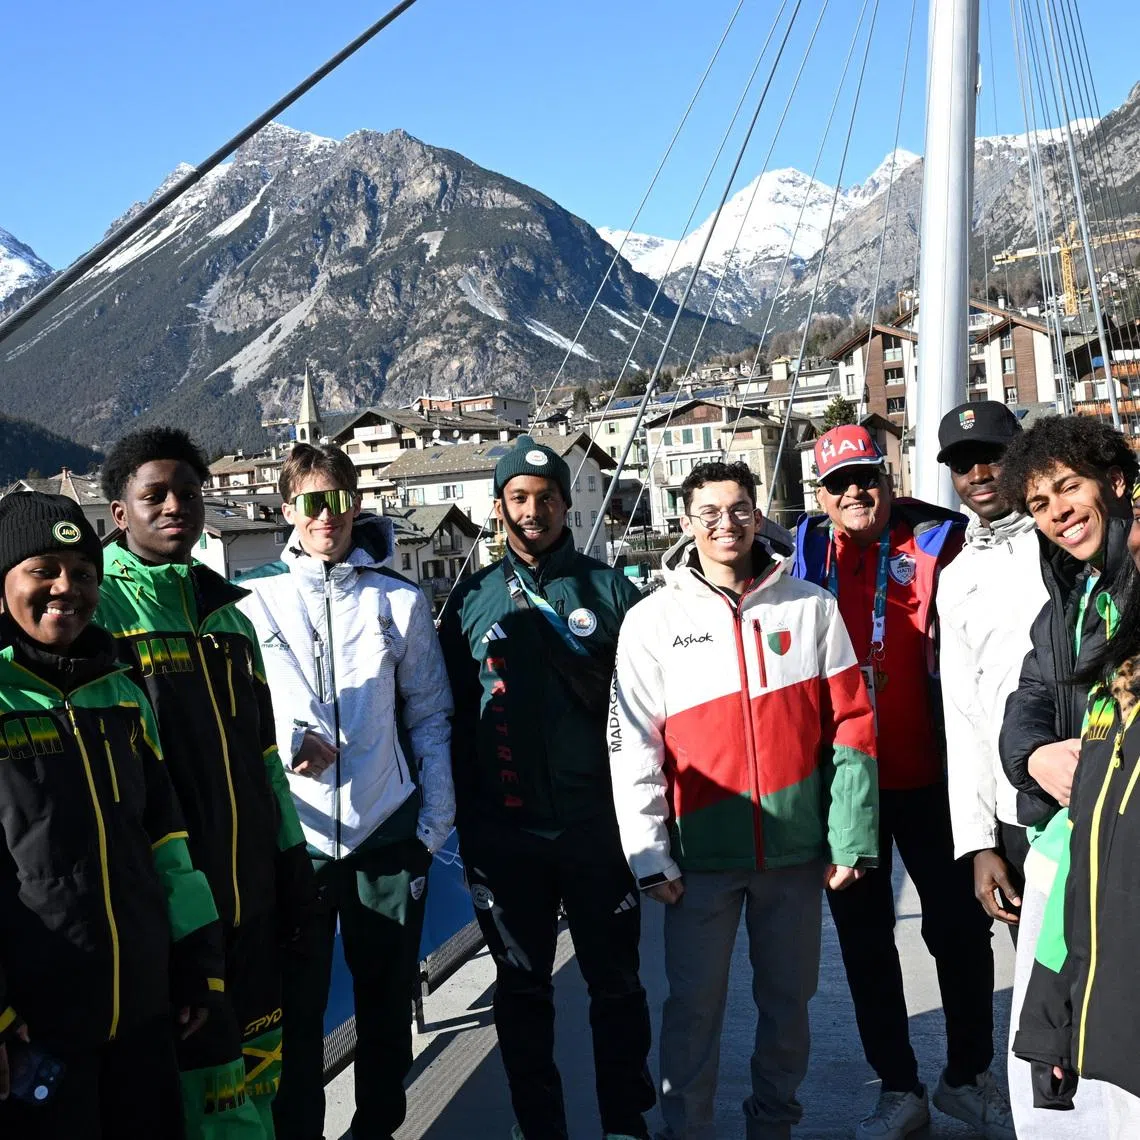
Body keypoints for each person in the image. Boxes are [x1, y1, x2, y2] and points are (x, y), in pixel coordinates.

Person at [609, 459, 878, 1140]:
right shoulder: (651, 621)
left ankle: (774, 1127)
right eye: (709, 513)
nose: (725, 524)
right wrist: (648, 854)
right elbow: (632, 744)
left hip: (793, 852)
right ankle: (687, 1131)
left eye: (737, 510)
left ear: (757, 515)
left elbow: (853, 724)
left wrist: (851, 835)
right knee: (693, 1009)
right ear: (686, 523)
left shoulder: (810, 606)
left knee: (788, 1005)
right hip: (699, 858)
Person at [793, 424, 1012, 1140]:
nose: (856, 492)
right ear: (820, 496)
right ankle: (898, 1087)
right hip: (848, 788)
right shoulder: (802, 557)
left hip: (933, 777)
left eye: (867, 477)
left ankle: (967, 1076)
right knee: (865, 941)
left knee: (960, 931)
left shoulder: (938, 542)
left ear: (889, 478)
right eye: (839, 483)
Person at [96, 428, 315, 1139]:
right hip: (166, 912)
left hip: (249, 893)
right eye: (153, 494)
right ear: (119, 513)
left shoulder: (229, 618)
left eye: (188, 493)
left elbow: (263, 758)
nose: (174, 507)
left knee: (256, 1076)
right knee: (190, 1096)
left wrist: (290, 859)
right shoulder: (97, 619)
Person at [439, 434, 654, 1140]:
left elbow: (654, 708)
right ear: (498, 509)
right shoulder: (468, 601)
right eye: (518, 499)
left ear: (567, 504)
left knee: (616, 987)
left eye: (546, 498)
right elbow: (444, 715)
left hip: (599, 829)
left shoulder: (611, 591)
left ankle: (626, 1121)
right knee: (524, 992)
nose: (533, 511)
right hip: (506, 838)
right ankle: (541, 1129)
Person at [239, 442, 454, 1140]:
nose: (325, 515)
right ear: (286, 510)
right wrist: (284, 736)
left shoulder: (400, 598)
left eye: (337, 499)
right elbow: (240, 714)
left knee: (387, 1005)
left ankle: (377, 1130)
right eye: (310, 501)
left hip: (387, 832)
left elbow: (429, 712)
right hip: (296, 842)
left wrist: (434, 826)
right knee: (294, 1013)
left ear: (355, 503)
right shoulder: (251, 600)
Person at [0, 492, 221, 1140]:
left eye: (84, 572)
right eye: (44, 568)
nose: (67, 587)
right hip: (36, 1037)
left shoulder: (123, 696)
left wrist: (197, 962)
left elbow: (168, 840)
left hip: (145, 1017)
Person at [996, 415, 1136, 1134]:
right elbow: (1029, 699)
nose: (1058, 513)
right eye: (1040, 505)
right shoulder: (1067, 602)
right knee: (1060, 1080)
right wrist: (1033, 757)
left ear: (1114, 482)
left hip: (1125, 866)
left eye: (1069, 489)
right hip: (1068, 855)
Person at [935, 401, 1045, 933]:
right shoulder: (954, 579)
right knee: (1044, 988)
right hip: (1015, 815)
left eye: (993, 457)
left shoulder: (1065, 541)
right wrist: (979, 841)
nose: (979, 475)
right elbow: (964, 716)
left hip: (1096, 791)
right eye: (962, 464)